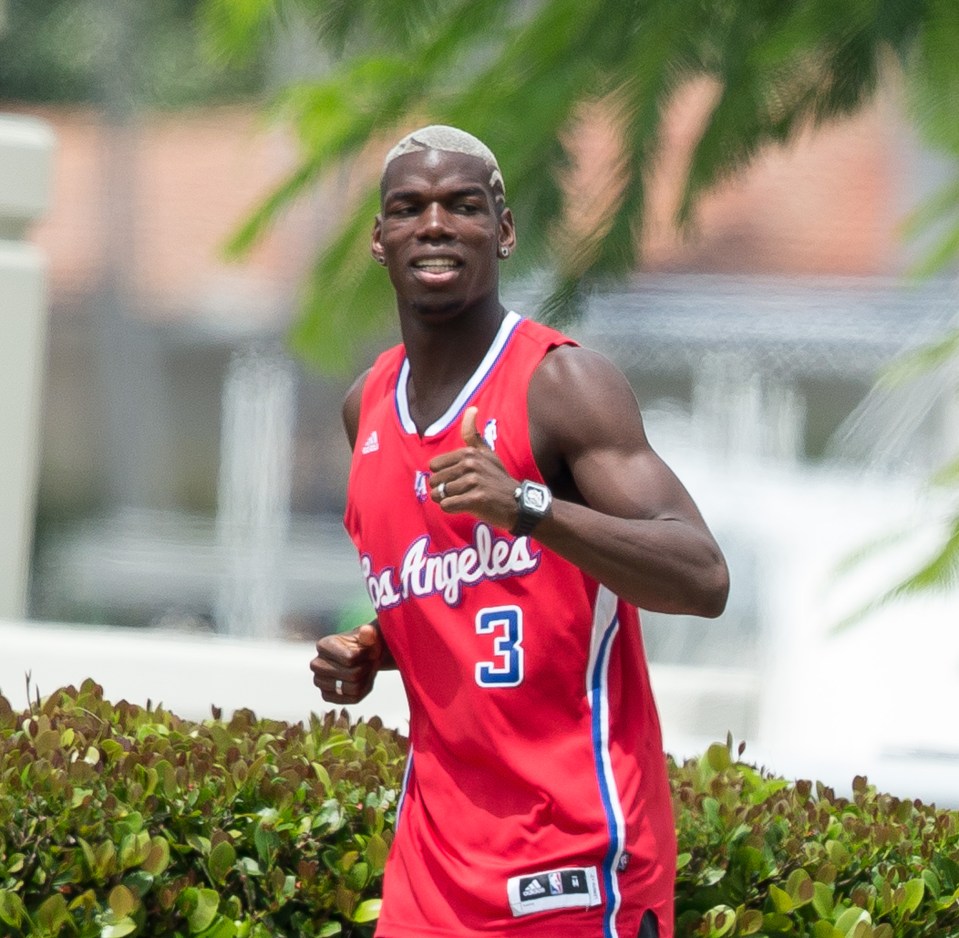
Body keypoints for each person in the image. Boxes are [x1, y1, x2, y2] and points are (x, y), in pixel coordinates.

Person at [310, 125, 729, 938]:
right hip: (431, 875)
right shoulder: (366, 404)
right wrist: (379, 647)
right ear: (378, 237)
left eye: (463, 206)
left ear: (502, 231)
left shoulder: (562, 384)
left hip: (573, 865)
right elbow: (470, 588)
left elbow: (702, 576)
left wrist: (529, 508)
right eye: (409, 208)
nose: (434, 224)